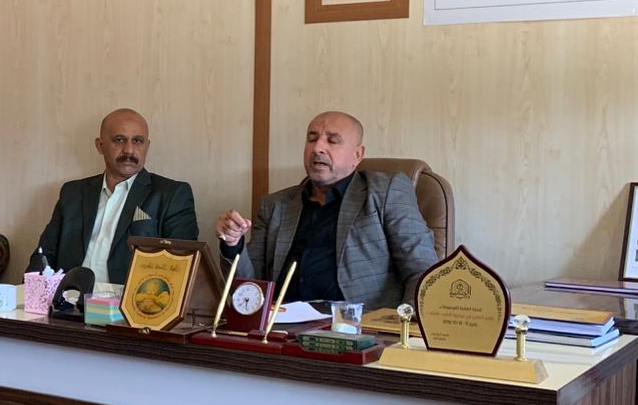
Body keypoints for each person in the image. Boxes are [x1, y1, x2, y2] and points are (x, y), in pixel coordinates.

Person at [213, 111, 438, 311]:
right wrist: (233, 245)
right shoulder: (276, 206)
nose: (317, 148)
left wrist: (403, 327)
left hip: (357, 330)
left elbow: (422, 271)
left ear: (357, 155)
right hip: (283, 327)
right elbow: (250, 288)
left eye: (332, 140)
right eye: (312, 139)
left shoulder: (385, 192)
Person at [36, 108, 197, 287]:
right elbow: (44, 255)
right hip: (68, 299)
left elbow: (181, 267)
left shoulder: (171, 195)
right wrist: (33, 295)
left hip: (129, 302)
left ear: (147, 146)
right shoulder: (73, 193)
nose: (129, 150)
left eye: (137, 141)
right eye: (119, 140)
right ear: (100, 145)